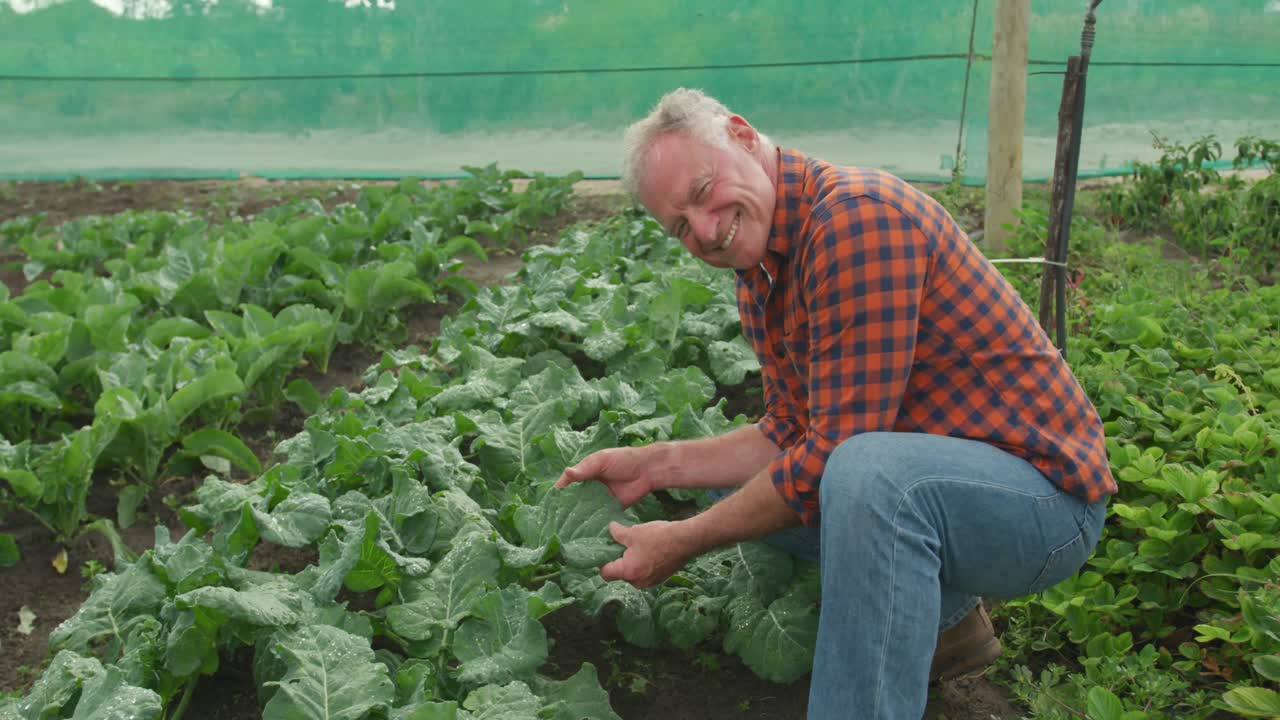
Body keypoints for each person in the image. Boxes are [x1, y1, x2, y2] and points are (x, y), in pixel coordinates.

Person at [553, 87, 1116, 719]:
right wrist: (658, 465)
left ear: (742, 135)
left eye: (703, 191)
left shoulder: (856, 220)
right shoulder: (763, 267)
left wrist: (683, 541)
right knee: (733, 488)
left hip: (1044, 506)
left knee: (864, 475)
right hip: (953, 487)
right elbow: (790, 431)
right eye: (681, 226)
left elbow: (832, 455)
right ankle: (948, 622)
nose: (706, 229)